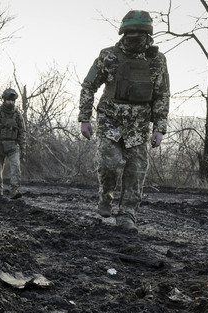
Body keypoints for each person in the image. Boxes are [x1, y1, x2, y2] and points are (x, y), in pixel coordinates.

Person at [78, 10, 170, 232]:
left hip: (139, 127)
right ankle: (105, 197)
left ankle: (127, 215)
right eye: (130, 31)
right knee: (109, 165)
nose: (134, 35)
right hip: (110, 122)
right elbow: (89, 85)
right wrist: (84, 118)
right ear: (123, 32)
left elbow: (162, 95)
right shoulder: (108, 56)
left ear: (148, 33)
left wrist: (159, 128)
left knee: (136, 171)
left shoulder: (157, 60)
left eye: (139, 31)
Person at [0, 88, 26, 199]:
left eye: (12, 100)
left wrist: (23, 148)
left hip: (13, 146)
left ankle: (14, 190)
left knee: (16, 168)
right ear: (4, 100)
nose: (10, 102)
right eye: (8, 100)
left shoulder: (18, 115)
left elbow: (22, 132)